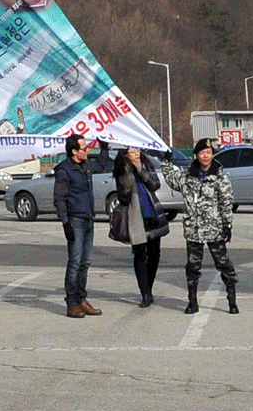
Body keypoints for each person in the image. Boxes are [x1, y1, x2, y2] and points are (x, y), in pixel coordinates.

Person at [166, 137, 237, 316]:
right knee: (192, 267)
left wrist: (227, 223)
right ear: (196, 155)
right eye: (202, 153)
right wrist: (165, 160)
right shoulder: (187, 175)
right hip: (194, 229)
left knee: (224, 264)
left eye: (209, 153)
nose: (206, 156)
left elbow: (226, 200)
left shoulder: (219, 175)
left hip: (214, 228)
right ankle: (192, 302)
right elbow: (172, 180)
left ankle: (232, 300)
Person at [110, 146, 171, 307]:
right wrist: (127, 184)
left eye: (138, 150)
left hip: (151, 214)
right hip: (135, 217)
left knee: (154, 254)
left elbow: (155, 184)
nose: (137, 154)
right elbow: (122, 199)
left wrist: (140, 170)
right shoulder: (121, 170)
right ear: (125, 154)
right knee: (139, 255)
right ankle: (144, 293)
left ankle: (149, 287)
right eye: (133, 151)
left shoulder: (146, 165)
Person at [52, 133, 99, 317]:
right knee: (75, 262)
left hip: (88, 219)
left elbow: (101, 165)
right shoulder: (64, 170)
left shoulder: (85, 166)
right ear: (74, 151)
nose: (87, 151)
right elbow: (59, 199)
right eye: (84, 149)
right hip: (75, 220)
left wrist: (104, 146)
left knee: (85, 262)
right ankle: (71, 302)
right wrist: (66, 224)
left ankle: (82, 299)